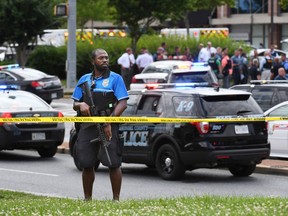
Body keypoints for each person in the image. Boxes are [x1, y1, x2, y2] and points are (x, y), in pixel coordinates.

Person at [72, 48, 128, 201]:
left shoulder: (115, 79)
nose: (105, 60)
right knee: (86, 163)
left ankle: (116, 200)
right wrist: (81, 104)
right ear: (93, 61)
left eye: (107, 58)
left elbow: (122, 103)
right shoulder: (84, 79)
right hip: (88, 126)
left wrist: (109, 121)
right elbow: (75, 103)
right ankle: (87, 199)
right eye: (101, 58)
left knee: (113, 163)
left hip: (108, 123)